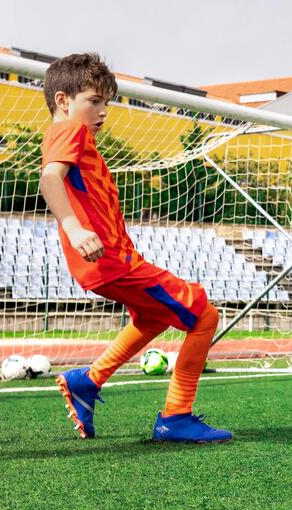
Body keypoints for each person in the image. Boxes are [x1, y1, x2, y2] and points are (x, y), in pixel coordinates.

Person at [40, 53, 230, 444]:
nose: (102, 111)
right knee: (204, 315)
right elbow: (49, 180)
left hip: (111, 260)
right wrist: (75, 230)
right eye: (94, 101)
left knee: (153, 316)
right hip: (110, 260)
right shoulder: (69, 132)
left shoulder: (74, 138)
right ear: (63, 101)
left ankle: (88, 381)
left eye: (105, 103)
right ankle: (177, 417)